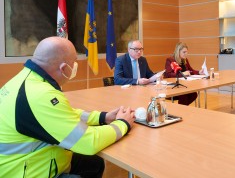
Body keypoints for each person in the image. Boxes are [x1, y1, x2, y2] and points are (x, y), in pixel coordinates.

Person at [0, 37, 135, 178]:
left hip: (36, 160)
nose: (75, 66)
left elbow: (63, 114)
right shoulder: (40, 95)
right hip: (25, 171)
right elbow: (89, 142)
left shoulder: (27, 81)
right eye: (74, 62)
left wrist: (103, 117)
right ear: (64, 68)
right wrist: (123, 123)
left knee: (94, 163)